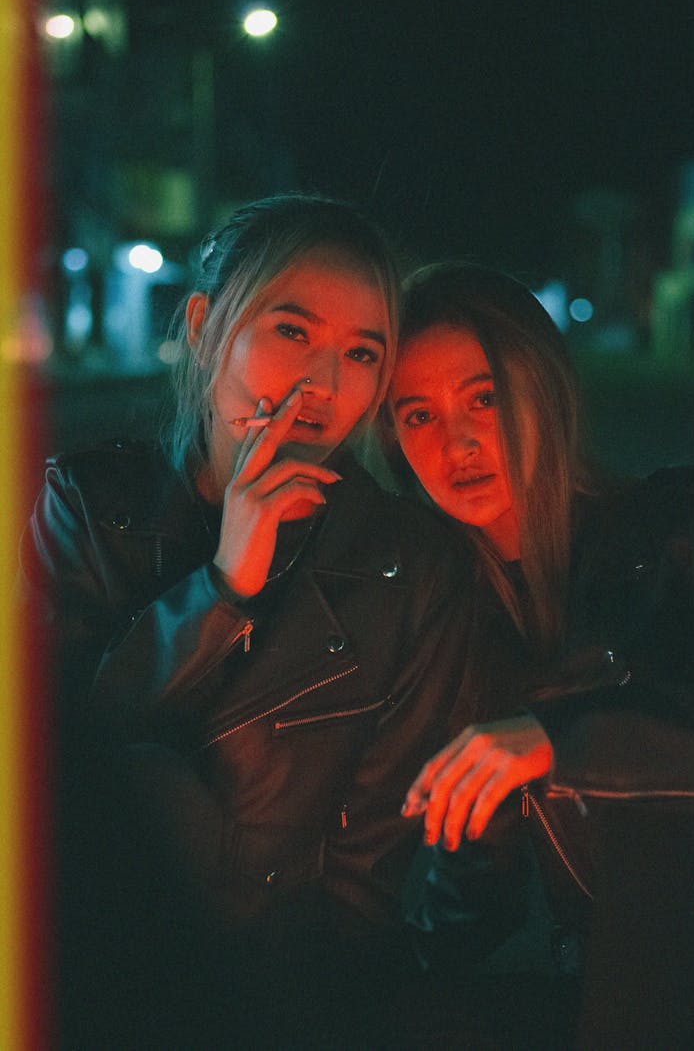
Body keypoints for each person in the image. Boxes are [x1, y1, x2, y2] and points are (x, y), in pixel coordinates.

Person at [20, 199, 492, 1049]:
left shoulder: (407, 563)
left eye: (361, 353)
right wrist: (224, 584)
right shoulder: (92, 507)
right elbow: (63, 780)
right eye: (291, 331)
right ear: (205, 326)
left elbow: (368, 878)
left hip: (293, 1001)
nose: (324, 382)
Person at [382, 262, 694, 1049]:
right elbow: (473, 895)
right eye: (417, 416)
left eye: (483, 397)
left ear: (540, 385)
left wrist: (565, 739)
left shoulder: (692, 526)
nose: (459, 441)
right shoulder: (449, 622)